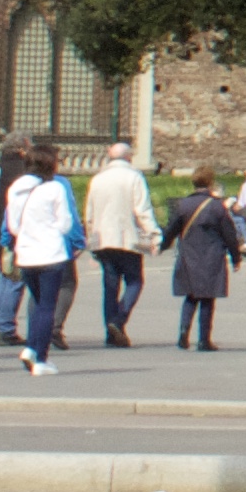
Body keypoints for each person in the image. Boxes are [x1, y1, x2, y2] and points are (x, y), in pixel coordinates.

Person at [0, 138, 81, 371]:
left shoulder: (16, 187)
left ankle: (32, 347)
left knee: (37, 302)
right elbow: (65, 223)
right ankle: (41, 358)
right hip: (51, 254)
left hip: (26, 254)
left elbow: (13, 225)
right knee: (47, 306)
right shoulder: (55, 187)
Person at [85, 140, 155, 346]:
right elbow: (142, 209)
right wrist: (153, 234)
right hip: (127, 238)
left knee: (110, 286)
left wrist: (92, 238)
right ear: (128, 157)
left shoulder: (97, 179)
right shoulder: (134, 177)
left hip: (104, 239)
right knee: (135, 281)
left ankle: (111, 331)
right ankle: (119, 319)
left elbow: (89, 213)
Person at [162, 173, 243, 351]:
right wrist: (236, 257)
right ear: (210, 183)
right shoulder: (216, 207)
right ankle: (204, 339)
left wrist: (162, 245)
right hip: (211, 256)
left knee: (190, 296)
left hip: (188, 254)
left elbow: (172, 229)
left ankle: (184, 331)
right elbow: (229, 234)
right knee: (207, 298)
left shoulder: (183, 205)